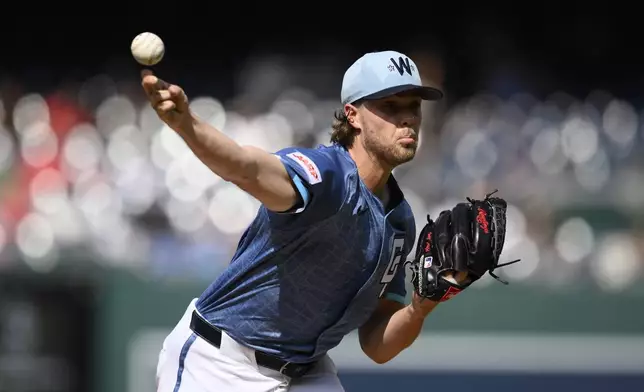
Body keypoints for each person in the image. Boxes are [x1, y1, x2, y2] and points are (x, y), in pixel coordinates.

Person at [147, 50, 449, 392]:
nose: (407, 118)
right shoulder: (327, 176)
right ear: (353, 116)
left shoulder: (399, 220)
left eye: (414, 106)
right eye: (391, 107)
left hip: (306, 373)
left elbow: (377, 345)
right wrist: (188, 125)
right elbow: (247, 168)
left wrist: (421, 307)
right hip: (222, 363)